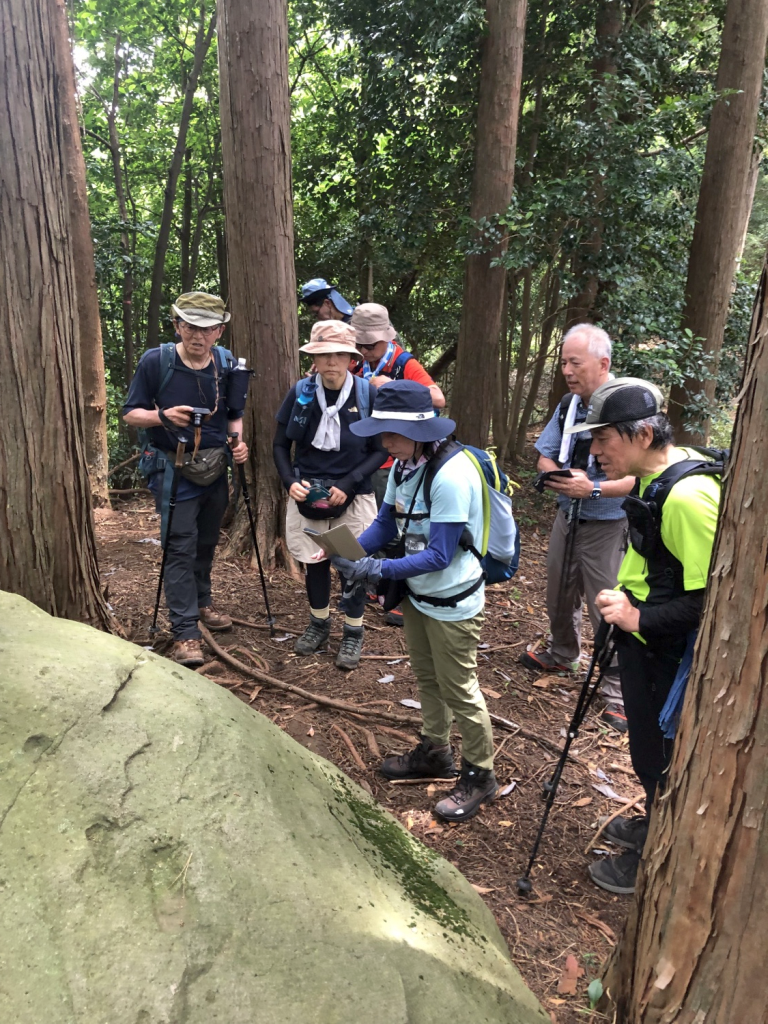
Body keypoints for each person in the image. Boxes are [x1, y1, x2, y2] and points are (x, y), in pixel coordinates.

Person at [562, 378, 721, 894]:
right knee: (645, 748)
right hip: (643, 642)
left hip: (665, 654)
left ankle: (658, 850)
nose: (596, 450)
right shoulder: (661, 474)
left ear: (644, 434)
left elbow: (709, 600)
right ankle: (655, 818)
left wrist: (637, 619)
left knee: (660, 754)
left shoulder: (688, 499)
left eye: (605, 438)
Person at [330, 380, 498, 823]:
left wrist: (377, 571)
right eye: (380, 431)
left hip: (453, 601)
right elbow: (386, 523)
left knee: (460, 688)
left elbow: (440, 554)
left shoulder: (451, 474)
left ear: (422, 430)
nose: (384, 441)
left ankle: (480, 774)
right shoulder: (404, 466)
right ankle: (435, 751)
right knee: (427, 677)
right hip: (420, 597)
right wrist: (349, 553)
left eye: (392, 432)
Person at [519, 324, 635, 732]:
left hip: (607, 522)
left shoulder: (626, 407)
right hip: (567, 515)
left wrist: (595, 490)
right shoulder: (569, 405)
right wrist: (561, 478)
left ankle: (620, 692)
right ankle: (563, 652)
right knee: (558, 589)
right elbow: (544, 457)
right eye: (563, 362)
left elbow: (638, 476)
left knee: (607, 603)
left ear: (602, 364)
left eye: (575, 362)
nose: (567, 370)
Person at [123, 291, 249, 667]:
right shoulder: (156, 361)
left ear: (220, 331)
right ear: (177, 326)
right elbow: (130, 413)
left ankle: (202, 601)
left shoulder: (225, 363)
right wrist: (162, 417)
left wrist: (238, 443)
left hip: (215, 466)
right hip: (171, 469)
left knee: (207, 540)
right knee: (180, 545)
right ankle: (185, 634)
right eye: (190, 326)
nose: (197, 335)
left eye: (207, 328)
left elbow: (234, 412)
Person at [272, 320, 386, 670]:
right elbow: (280, 444)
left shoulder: (366, 394)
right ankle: (318, 623)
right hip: (309, 493)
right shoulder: (301, 393)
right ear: (314, 360)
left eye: (339, 355)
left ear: (351, 358)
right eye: (324, 356)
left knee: (352, 566)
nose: (332, 363)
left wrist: (349, 483)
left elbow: (380, 450)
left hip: (354, 492)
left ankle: (353, 632)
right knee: (314, 563)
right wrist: (290, 480)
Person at [351, 302, 446, 626]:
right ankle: (381, 587)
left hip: (411, 456)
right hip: (378, 457)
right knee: (386, 522)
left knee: (407, 528)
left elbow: (438, 397)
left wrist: (388, 388)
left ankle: (397, 592)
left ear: (386, 339)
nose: (365, 350)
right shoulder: (357, 364)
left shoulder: (403, 362)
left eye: (370, 344)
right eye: (359, 344)